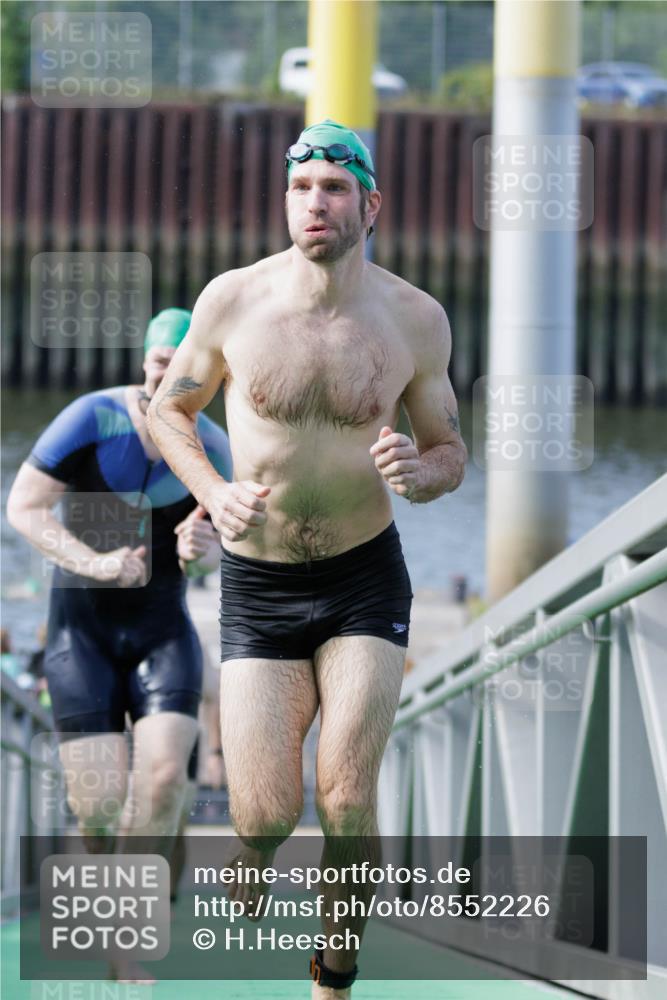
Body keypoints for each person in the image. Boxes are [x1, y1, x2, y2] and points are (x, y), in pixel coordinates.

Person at [147, 120, 467, 999]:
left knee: (346, 796)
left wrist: (422, 470)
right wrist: (211, 493)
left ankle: (333, 973)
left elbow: (448, 450)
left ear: (370, 203)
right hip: (258, 584)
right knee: (263, 812)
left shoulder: (413, 319)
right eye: (299, 188)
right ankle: (250, 854)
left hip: (366, 577)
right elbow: (168, 413)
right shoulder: (232, 301)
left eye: (331, 187)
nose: (313, 203)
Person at [7, 308, 231, 983]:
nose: (171, 381)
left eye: (187, 371)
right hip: (82, 633)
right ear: (145, 362)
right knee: (99, 808)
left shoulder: (214, 449)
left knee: (163, 779)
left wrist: (203, 550)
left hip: (162, 629)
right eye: (163, 365)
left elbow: (215, 552)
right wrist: (96, 563)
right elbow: (22, 506)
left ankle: (123, 939)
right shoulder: (91, 419)